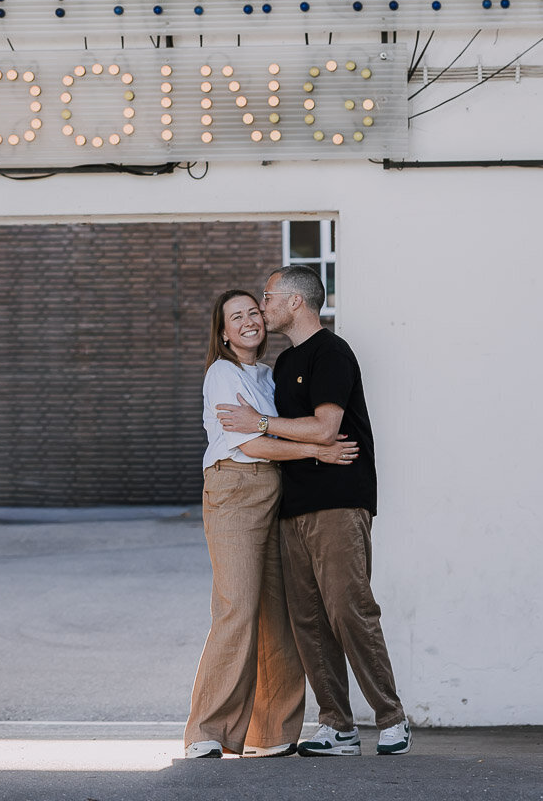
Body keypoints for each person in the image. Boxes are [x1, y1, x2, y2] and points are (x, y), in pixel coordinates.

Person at [216, 264, 411, 758]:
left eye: (268, 297)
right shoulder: (283, 365)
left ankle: (391, 719)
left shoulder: (332, 352)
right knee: (308, 618)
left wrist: (260, 421)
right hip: (292, 507)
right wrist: (270, 431)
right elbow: (287, 436)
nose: (263, 307)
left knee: (350, 608)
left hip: (339, 502)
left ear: (296, 302)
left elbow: (325, 429)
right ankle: (337, 725)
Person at [184, 288, 359, 760]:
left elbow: (268, 429)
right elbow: (253, 445)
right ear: (222, 333)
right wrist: (317, 449)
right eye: (235, 316)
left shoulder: (269, 374)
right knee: (237, 608)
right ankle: (208, 730)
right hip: (235, 489)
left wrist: (295, 438)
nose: (248, 320)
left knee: (279, 617)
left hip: (275, 492)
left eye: (254, 312)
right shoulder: (223, 374)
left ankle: (273, 733)